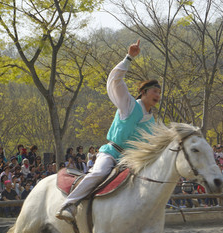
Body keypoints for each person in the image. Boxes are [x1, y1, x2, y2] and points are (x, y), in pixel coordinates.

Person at [56, 39, 161, 221]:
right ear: (144, 92)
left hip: (131, 161)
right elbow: (116, 80)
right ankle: (69, 205)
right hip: (112, 153)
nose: (158, 96)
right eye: (155, 92)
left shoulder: (153, 121)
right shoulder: (128, 105)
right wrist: (129, 57)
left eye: (159, 93)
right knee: (99, 173)